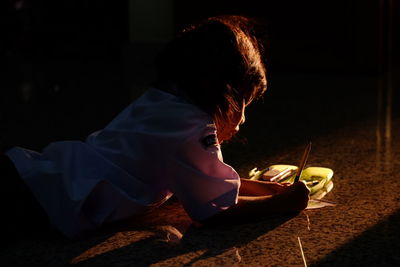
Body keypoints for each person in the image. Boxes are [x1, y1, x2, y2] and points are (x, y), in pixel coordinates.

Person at [1, 15, 309, 240]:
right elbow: (214, 212)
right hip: (37, 201)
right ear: (226, 92)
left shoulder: (163, 102)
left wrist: (269, 188)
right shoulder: (190, 127)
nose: (242, 120)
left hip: (39, 174)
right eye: (244, 104)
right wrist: (286, 203)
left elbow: (198, 181)